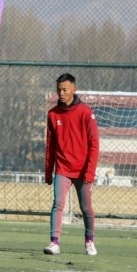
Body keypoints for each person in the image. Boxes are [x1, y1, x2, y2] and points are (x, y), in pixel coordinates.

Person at [44, 73, 100, 256]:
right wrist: (48, 171)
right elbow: (50, 145)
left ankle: (89, 241)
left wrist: (89, 172)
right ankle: (54, 242)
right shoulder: (53, 114)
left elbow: (94, 145)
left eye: (64, 89)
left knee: (86, 208)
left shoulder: (86, 113)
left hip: (83, 171)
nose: (61, 93)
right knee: (58, 204)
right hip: (62, 169)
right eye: (58, 90)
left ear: (74, 90)